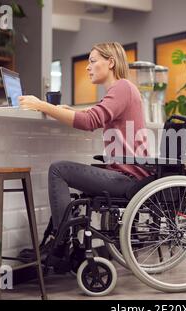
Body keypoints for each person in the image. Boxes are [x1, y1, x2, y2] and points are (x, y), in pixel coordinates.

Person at [18, 42, 151, 254]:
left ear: (110, 62)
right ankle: (62, 239)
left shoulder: (122, 87)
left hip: (127, 178)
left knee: (59, 170)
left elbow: (90, 121)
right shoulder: (123, 88)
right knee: (69, 174)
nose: (87, 67)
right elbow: (98, 113)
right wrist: (69, 110)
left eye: (92, 61)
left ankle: (61, 245)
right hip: (128, 174)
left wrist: (42, 105)